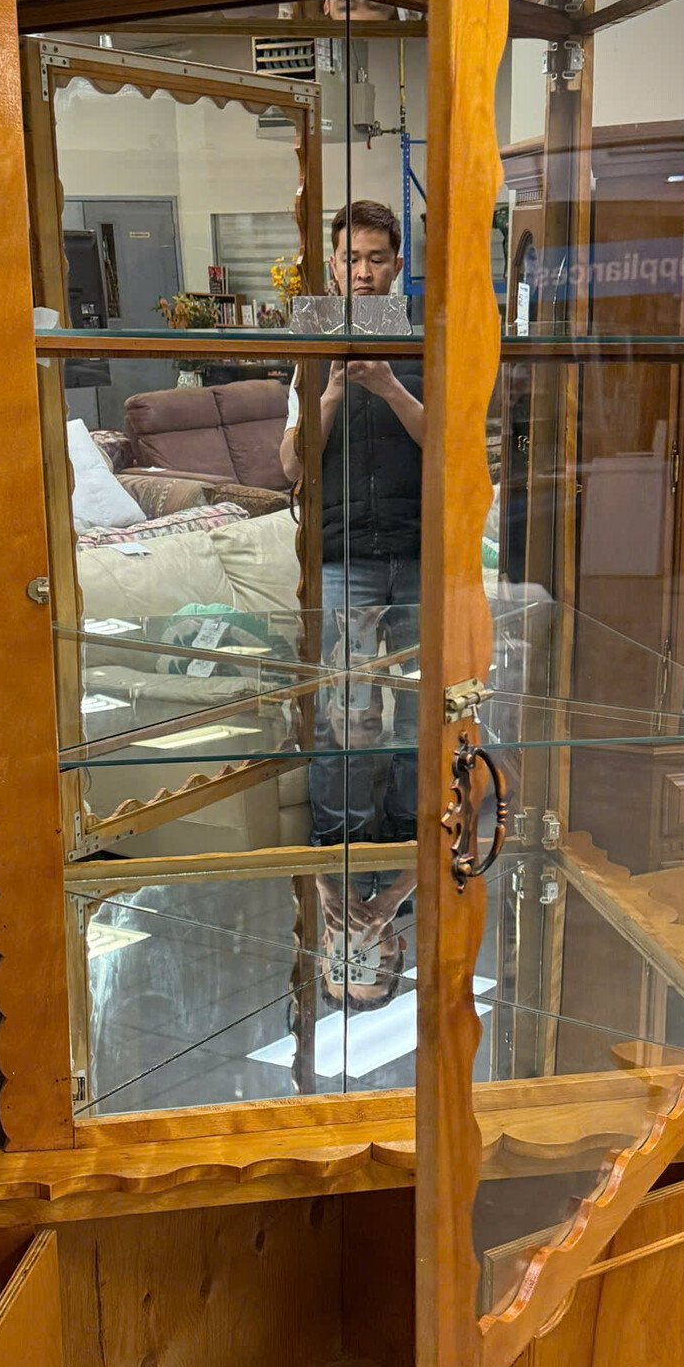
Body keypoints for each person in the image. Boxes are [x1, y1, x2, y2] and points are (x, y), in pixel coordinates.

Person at [280, 201, 423, 1006]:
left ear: (396, 264)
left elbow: (454, 448)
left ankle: (406, 833)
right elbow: (291, 467)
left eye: (375, 258)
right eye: (349, 259)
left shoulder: (428, 340)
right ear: (331, 267)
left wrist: (392, 385)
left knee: (420, 710)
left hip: (421, 555)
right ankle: (338, 845)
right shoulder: (310, 350)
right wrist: (333, 391)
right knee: (342, 712)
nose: (362, 271)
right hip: (342, 560)